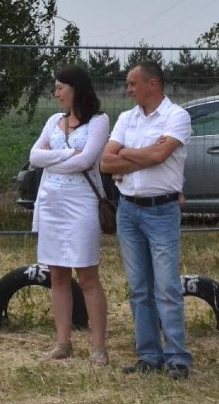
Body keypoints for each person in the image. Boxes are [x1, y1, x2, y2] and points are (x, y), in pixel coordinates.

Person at [100, 60, 193, 380]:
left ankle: (177, 356)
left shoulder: (176, 116)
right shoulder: (127, 118)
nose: (128, 89)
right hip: (128, 210)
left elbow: (159, 157)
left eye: (132, 83)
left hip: (162, 211)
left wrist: (128, 153)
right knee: (139, 287)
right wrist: (143, 155)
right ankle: (149, 354)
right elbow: (106, 162)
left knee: (166, 286)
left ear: (152, 84)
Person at [29, 65, 110, 365]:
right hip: (52, 203)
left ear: (76, 88)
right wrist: (66, 156)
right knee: (58, 273)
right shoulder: (54, 121)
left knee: (87, 275)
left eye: (61, 87)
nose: (56, 93)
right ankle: (63, 342)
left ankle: (99, 346)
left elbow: (88, 160)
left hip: (82, 204)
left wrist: (55, 160)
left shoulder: (99, 121)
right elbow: (34, 157)